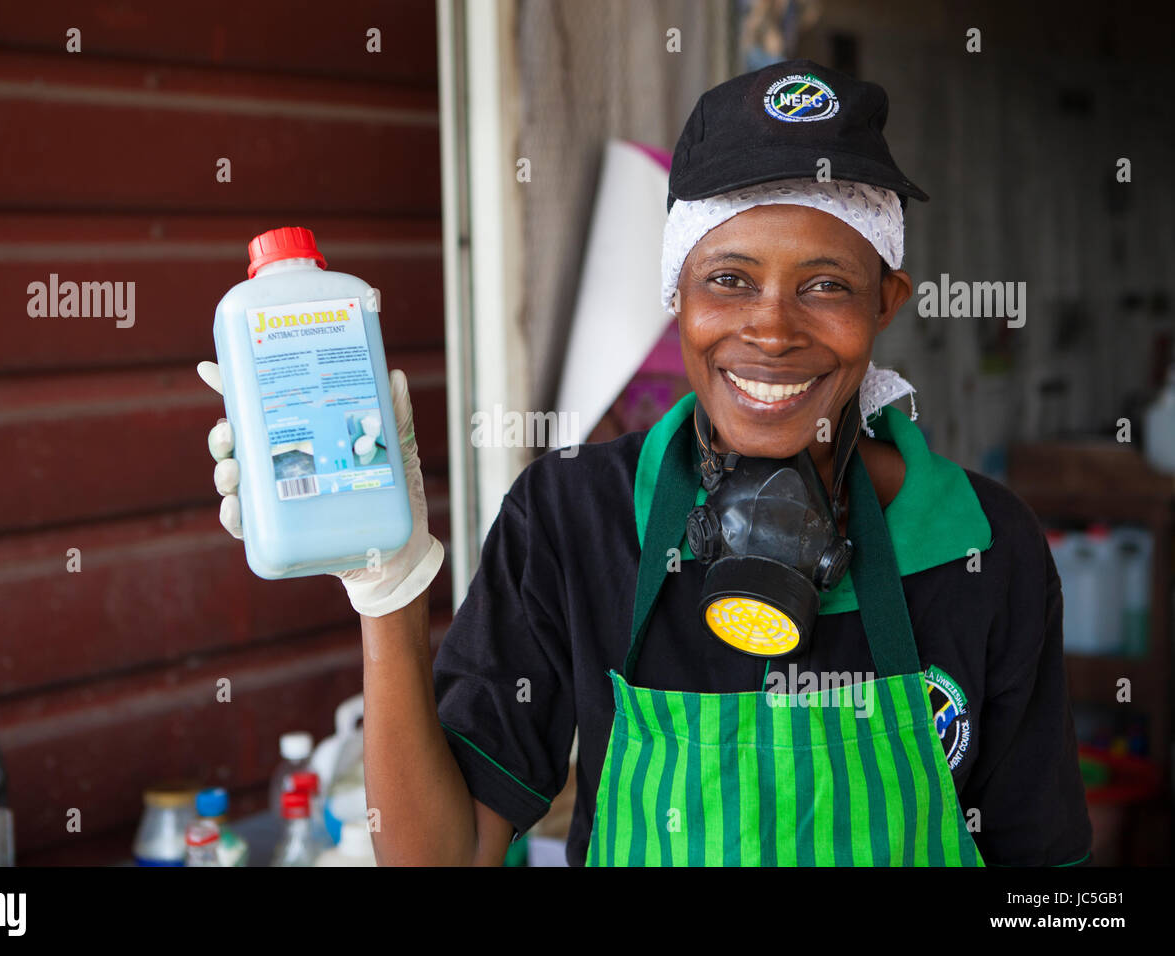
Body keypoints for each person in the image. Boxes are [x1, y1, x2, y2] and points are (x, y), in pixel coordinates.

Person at [198, 59, 1092, 866]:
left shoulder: (984, 546)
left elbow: (1044, 877)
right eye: (728, 280)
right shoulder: (569, 520)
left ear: (887, 300)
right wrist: (385, 583)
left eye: (826, 285)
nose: (772, 329)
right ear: (677, 297)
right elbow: (443, 856)